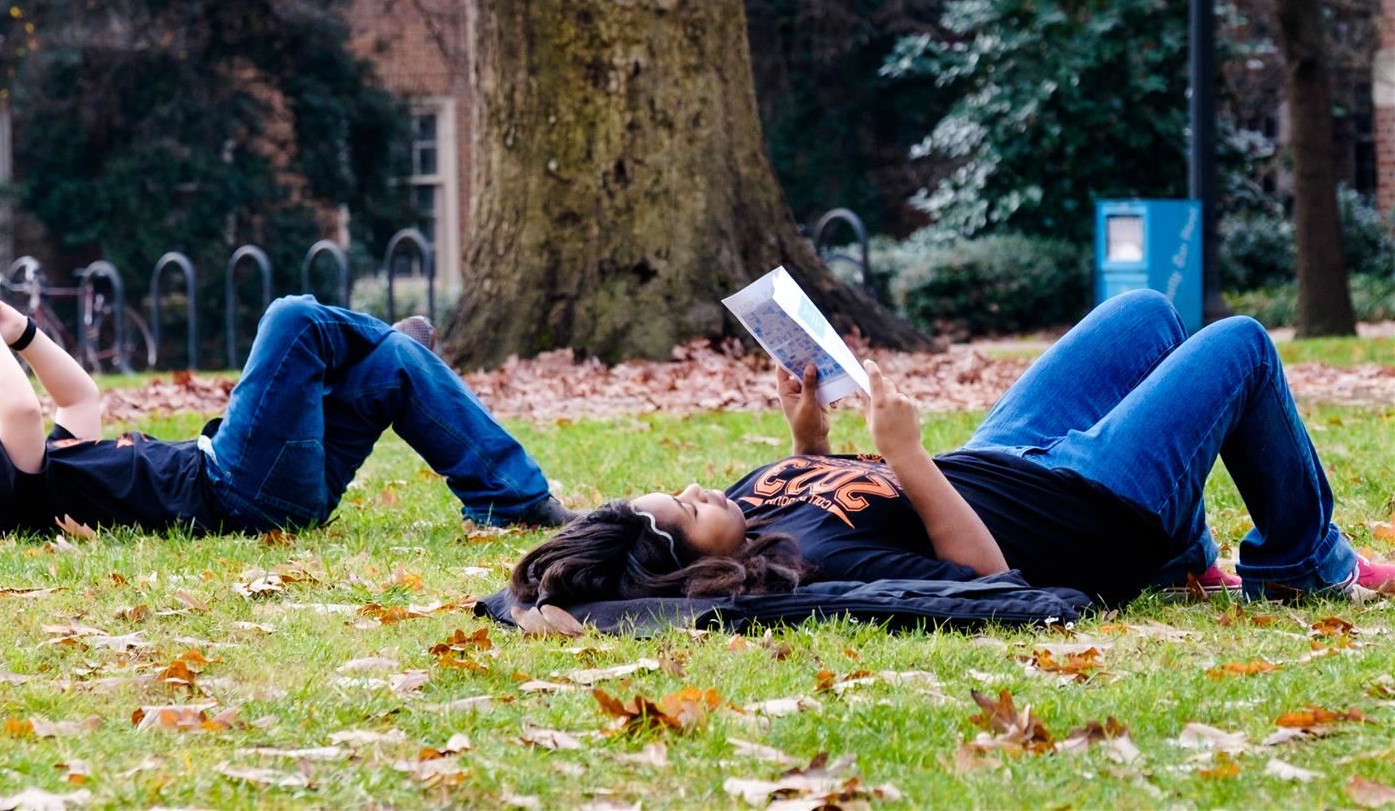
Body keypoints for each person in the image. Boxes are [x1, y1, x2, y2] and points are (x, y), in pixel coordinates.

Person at [511, 290, 1395, 610]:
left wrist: (809, 440)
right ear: (693, 571)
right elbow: (987, 579)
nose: (703, 488)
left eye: (682, 488)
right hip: (1088, 509)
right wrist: (905, 458)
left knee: (1147, 317)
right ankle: (1303, 566)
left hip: (1009, 455)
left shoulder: (754, 507)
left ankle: (1188, 561)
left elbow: (811, 482)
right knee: (1238, 343)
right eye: (690, 510)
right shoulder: (812, 566)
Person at [0, 294, 574, 537]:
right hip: (236, 487)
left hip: (275, 493)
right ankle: (376, 342)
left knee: (391, 365)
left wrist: (21, 337)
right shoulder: (10, 501)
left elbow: (79, 400)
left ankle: (512, 500)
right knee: (293, 319)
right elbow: (15, 411)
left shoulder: (54, 472)